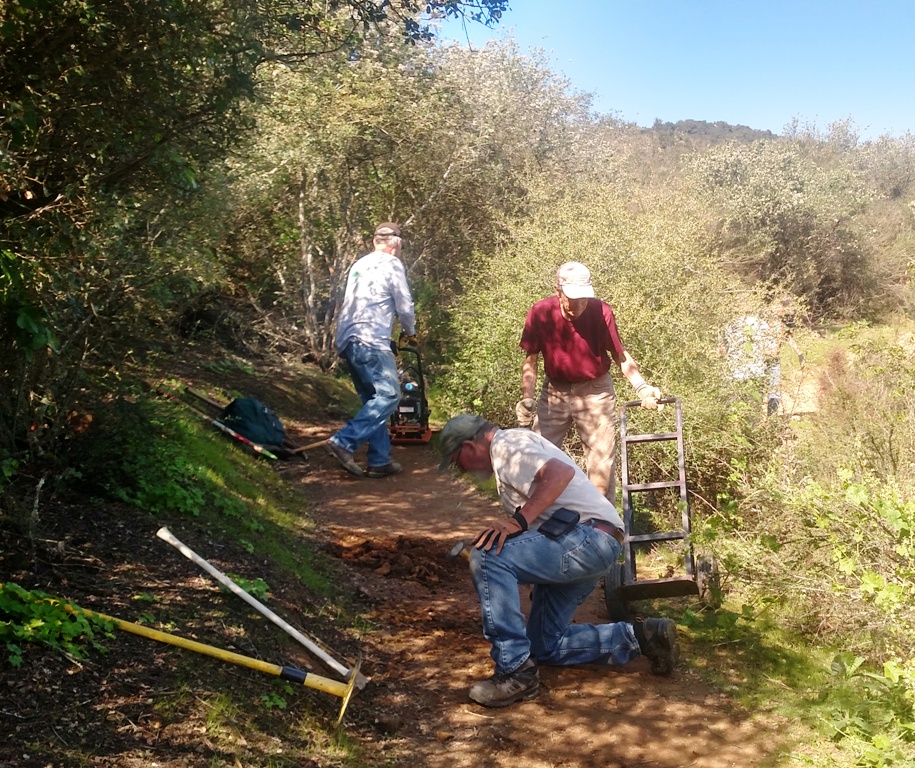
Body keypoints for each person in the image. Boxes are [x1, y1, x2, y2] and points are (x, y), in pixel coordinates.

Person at [438, 412, 680, 708]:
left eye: (455, 460)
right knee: (544, 645)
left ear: (469, 446)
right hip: (590, 541)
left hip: (586, 539)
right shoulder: (512, 446)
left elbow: (559, 474)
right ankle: (644, 636)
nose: (460, 470)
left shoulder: (505, 445)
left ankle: (515, 672)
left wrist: (518, 523)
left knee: (488, 557)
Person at [516, 261, 662, 503]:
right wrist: (527, 399)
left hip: (596, 392)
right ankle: (536, 524)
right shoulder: (541, 312)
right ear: (557, 290)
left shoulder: (601, 311)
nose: (578, 306)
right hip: (555, 392)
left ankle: (602, 531)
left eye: (583, 299)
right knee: (538, 457)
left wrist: (642, 387)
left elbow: (619, 355)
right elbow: (531, 360)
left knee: (601, 465)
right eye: (572, 300)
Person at [325, 222, 417, 478]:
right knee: (389, 396)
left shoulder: (360, 265)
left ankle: (379, 460)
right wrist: (410, 332)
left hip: (349, 340)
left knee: (372, 400)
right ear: (396, 243)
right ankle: (344, 441)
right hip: (371, 340)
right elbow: (405, 304)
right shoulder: (391, 264)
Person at [723, 302, 803, 416]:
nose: (781, 310)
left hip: (774, 361)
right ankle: (752, 415)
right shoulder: (761, 322)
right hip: (760, 361)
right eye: (778, 306)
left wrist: (800, 354)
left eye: (782, 308)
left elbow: (789, 338)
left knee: (774, 390)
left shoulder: (781, 325)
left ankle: (772, 417)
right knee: (756, 389)